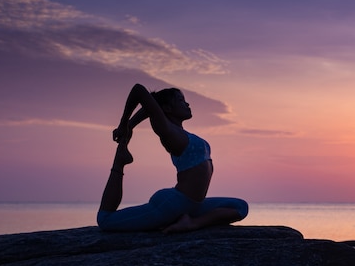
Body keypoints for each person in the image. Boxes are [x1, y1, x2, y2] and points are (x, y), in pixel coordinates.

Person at [97, 83, 248, 233]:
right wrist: (124, 124)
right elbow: (138, 90)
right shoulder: (168, 132)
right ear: (168, 109)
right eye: (181, 101)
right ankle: (119, 162)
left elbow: (152, 105)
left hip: (192, 205)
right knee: (105, 220)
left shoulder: (182, 133)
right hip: (171, 205)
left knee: (240, 207)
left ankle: (192, 223)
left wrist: (130, 125)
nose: (187, 103)